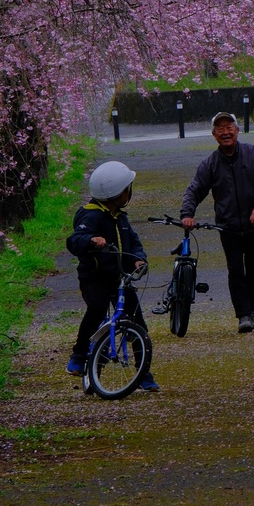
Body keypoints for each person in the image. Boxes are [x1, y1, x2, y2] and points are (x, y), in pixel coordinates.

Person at [65, 160, 159, 392]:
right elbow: (75, 240)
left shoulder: (121, 218)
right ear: (119, 193)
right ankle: (78, 355)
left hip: (119, 278)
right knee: (96, 309)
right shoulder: (90, 216)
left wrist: (138, 259)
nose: (129, 192)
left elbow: (133, 244)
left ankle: (143, 372)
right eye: (128, 188)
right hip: (94, 277)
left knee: (137, 321)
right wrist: (90, 240)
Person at [181, 111, 254, 334]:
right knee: (235, 270)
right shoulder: (210, 163)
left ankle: (251, 308)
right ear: (214, 135)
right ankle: (243, 314)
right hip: (228, 227)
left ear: (237, 130)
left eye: (229, 127)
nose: (225, 132)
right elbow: (195, 190)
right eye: (220, 129)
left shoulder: (253, 154)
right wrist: (187, 213)